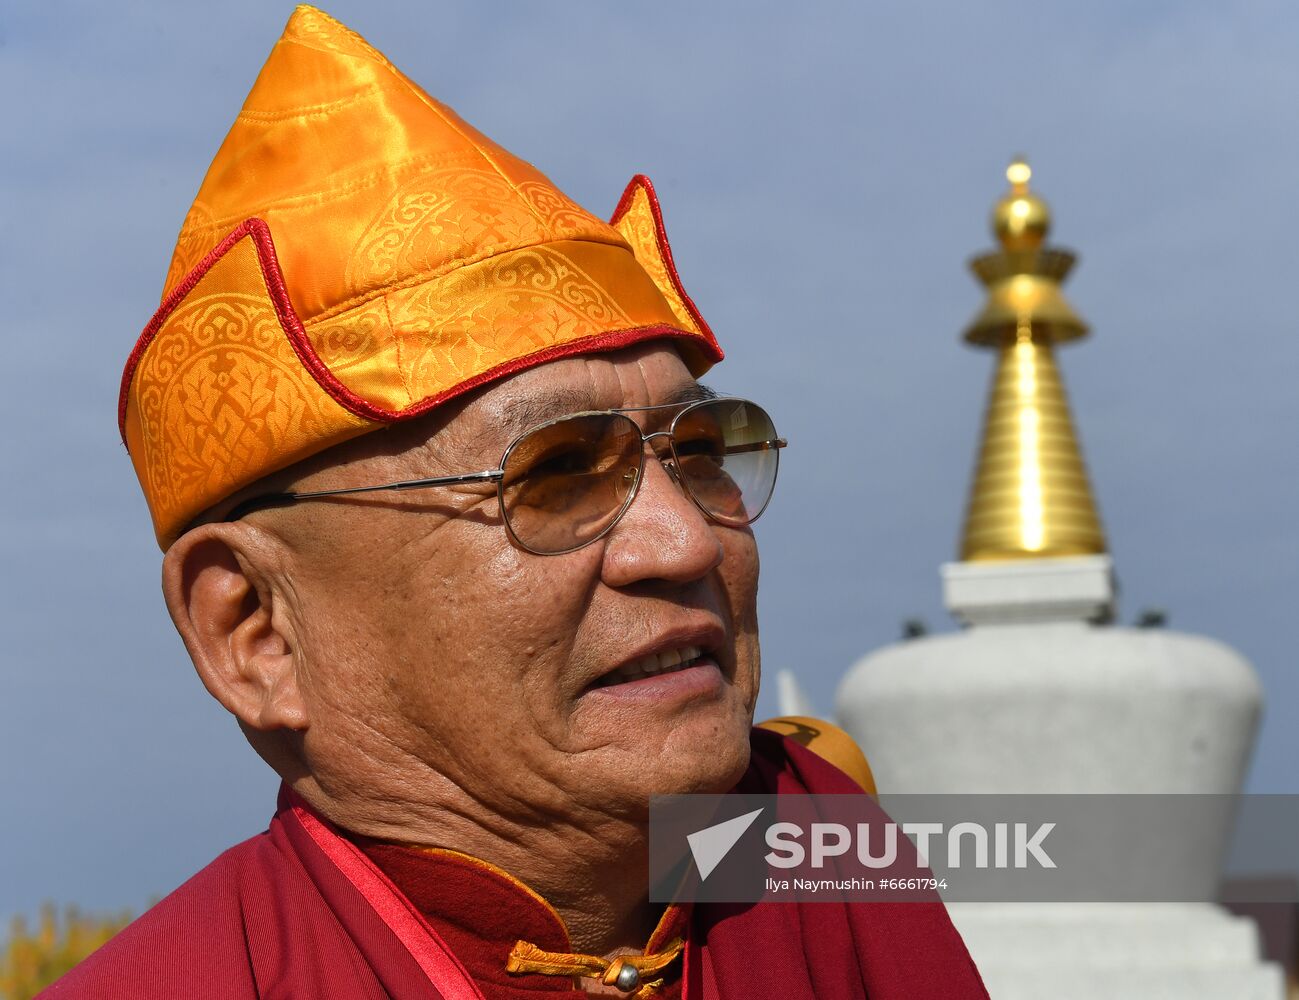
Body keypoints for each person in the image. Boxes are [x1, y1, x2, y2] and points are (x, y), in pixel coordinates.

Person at [45, 7, 987, 998]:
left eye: (700, 450)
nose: (685, 542)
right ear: (256, 630)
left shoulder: (812, 849)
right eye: (556, 475)